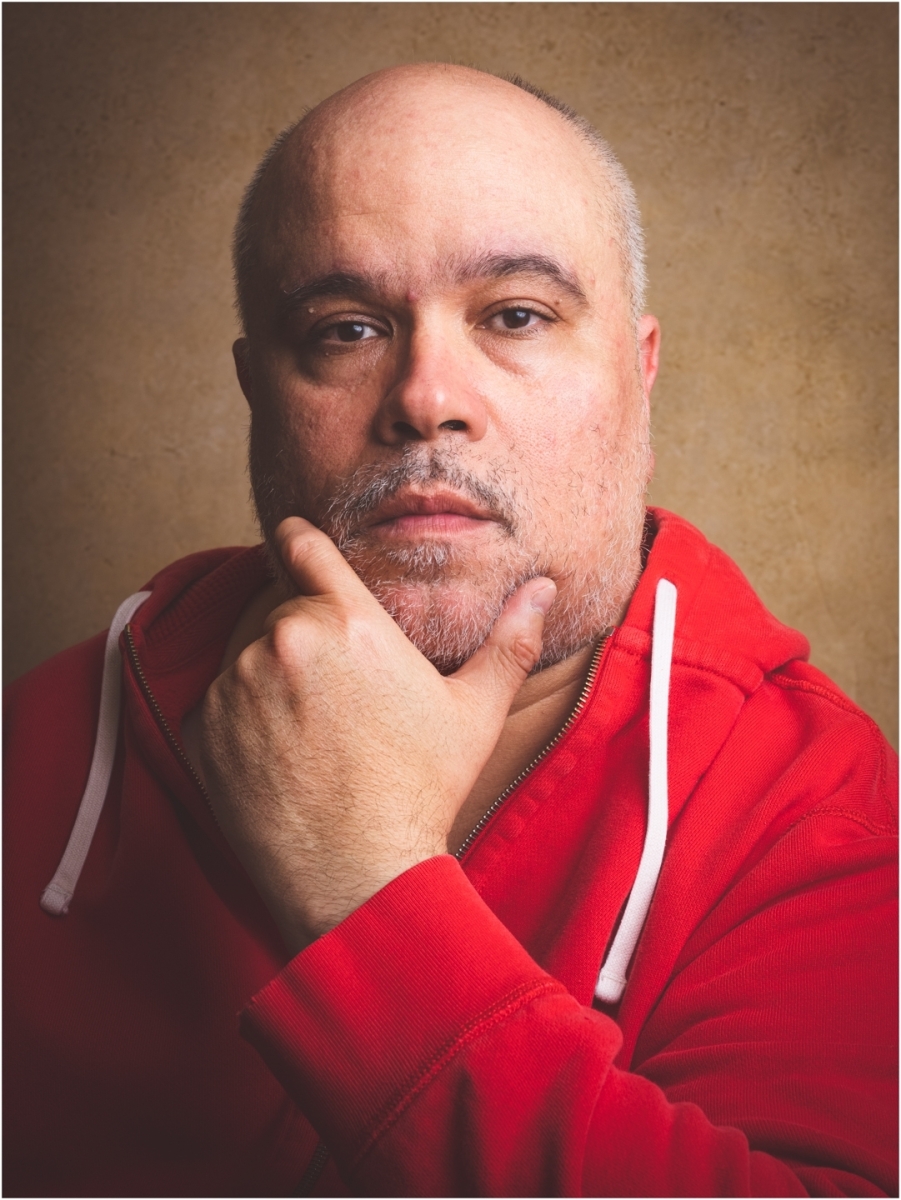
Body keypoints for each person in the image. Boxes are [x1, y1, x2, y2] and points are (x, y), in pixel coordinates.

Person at [4, 63, 896, 1198]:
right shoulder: (38, 742)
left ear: (640, 371)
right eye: (345, 329)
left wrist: (368, 893)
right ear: (255, 391)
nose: (426, 396)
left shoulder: (813, 806)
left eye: (516, 316)